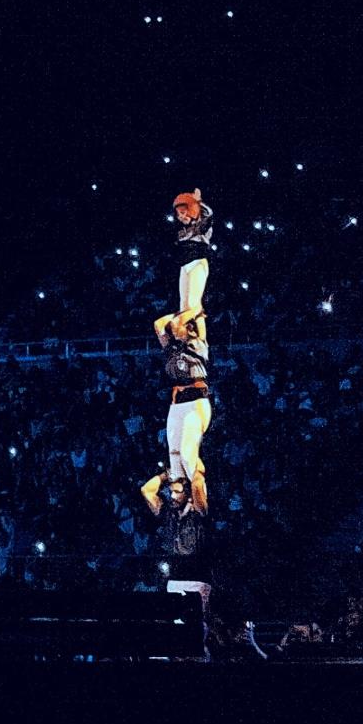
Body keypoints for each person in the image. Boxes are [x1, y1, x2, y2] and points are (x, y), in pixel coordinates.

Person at [141, 312, 212, 516]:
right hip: (180, 404)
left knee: (182, 453)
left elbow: (197, 320)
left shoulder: (197, 346)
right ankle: (190, 485)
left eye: (178, 325)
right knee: (181, 453)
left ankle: (191, 490)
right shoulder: (177, 348)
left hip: (193, 402)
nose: (173, 326)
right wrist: (188, 310)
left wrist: (194, 313)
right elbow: (160, 324)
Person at [169, 188, 214, 333]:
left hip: (197, 262)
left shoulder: (201, 226)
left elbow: (209, 214)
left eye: (183, 213)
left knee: (194, 304)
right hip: (185, 265)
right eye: (178, 214)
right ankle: (187, 336)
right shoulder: (181, 230)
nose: (180, 217)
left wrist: (197, 202)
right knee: (184, 306)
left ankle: (201, 339)